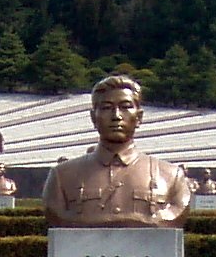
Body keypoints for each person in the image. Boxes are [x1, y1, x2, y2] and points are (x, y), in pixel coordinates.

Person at [40, 76, 192, 228]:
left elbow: (176, 212)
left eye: (125, 107)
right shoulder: (61, 176)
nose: (116, 116)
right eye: (106, 107)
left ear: (139, 117)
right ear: (93, 118)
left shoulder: (171, 176)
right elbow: (56, 212)